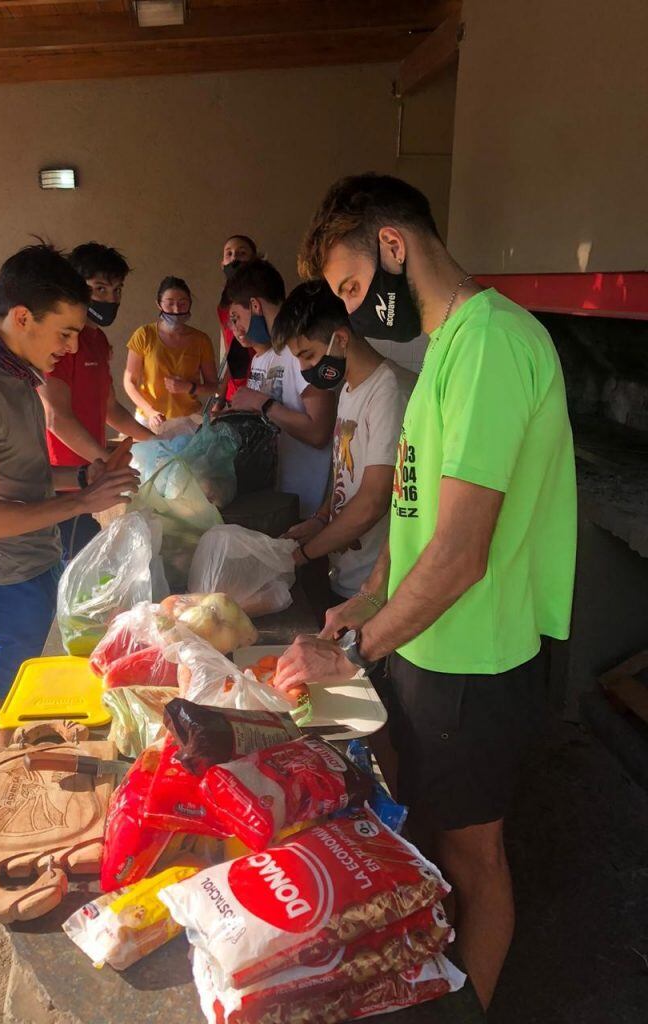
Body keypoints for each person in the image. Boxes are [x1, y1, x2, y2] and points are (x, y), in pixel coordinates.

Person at [273, 174, 577, 1009]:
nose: (353, 310)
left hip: (478, 661)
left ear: (394, 247)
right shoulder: (444, 350)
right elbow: (411, 528)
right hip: (426, 650)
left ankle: (470, 1006)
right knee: (434, 842)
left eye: (352, 287)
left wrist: (347, 653)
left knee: (477, 859)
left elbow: (459, 555)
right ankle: (431, 984)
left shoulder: (491, 346)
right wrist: (366, 603)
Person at [0, 243, 139, 757]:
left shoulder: (18, 376)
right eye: (64, 332)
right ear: (23, 317)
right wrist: (82, 501)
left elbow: (21, 477)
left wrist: (81, 473)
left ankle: (0, 767)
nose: (70, 347)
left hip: (31, 562)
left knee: (14, 694)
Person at [272, 280, 416, 604]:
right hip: (347, 573)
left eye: (307, 355)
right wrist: (321, 519)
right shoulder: (350, 389)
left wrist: (302, 556)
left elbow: (373, 501)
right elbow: (343, 473)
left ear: (340, 339)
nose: (304, 369)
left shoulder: (389, 392)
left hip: (376, 589)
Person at [38, 242, 152, 559]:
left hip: (88, 480)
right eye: (99, 288)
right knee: (66, 567)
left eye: (117, 290)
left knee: (83, 559)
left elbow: (110, 408)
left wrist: (159, 442)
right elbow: (56, 418)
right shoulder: (59, 343)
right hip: (56, 482)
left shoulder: (98, 341)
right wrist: (105, 462)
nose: (110, 299)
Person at [222, 259, 335, 516]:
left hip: (308, 504)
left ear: (255, 305)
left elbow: (319, 432)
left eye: (237, 317)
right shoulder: (263, 356)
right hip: (277, 498)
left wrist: (263, 403)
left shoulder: (301, 350)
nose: (236, 327)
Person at [124, 276, 218, 433]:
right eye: (170, 303)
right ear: (159, 304)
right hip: (150, 422)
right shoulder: (144, 335)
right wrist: (150, 412)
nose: (176, 309)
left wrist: (189, 387)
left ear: (190, 304)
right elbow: (130, 382)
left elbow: (213, 387)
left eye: (182, 303)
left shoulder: (201, 340)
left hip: (189, 422)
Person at [217, 234, 259, 400]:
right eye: (229, 253)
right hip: (234, 391)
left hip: (260, 387)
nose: (234, 258)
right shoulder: (223, 306)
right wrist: (220, 399)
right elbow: (230, 350)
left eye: (242, 253)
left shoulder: (263, 299)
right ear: (222, 264)